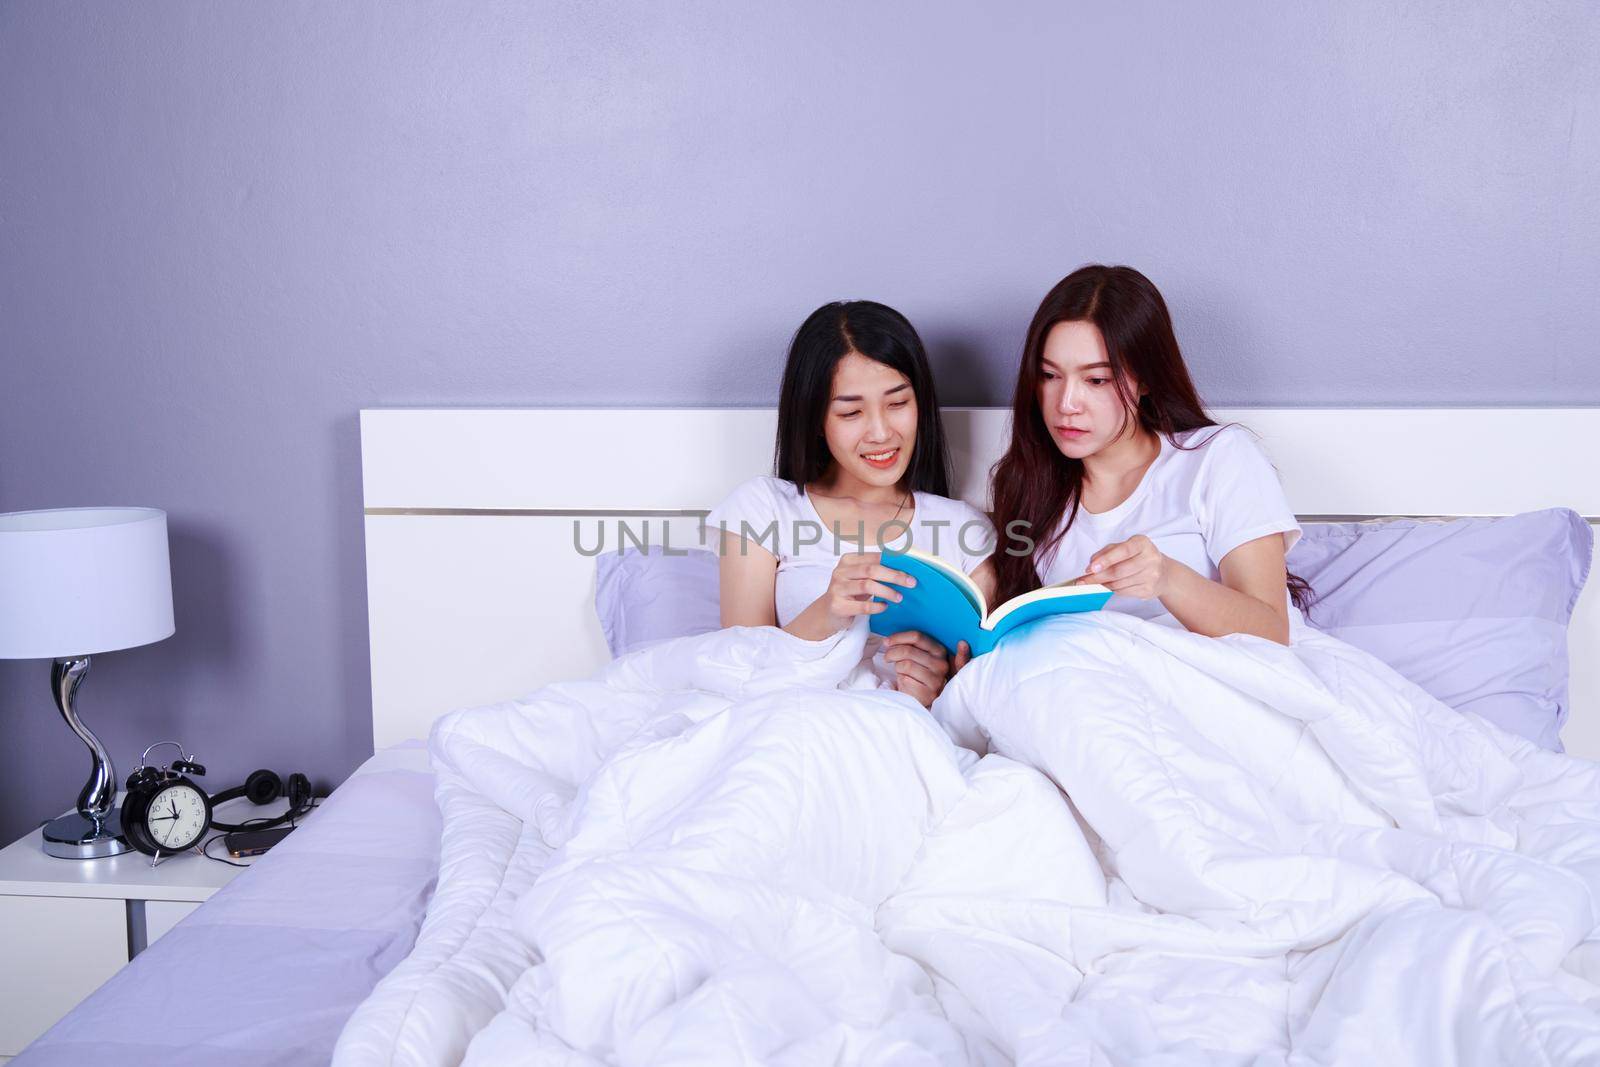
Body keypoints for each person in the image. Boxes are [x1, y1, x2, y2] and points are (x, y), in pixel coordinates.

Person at [959, 265, 1310, 670]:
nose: (1066, 403)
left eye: (1097, 381)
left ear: (1145, 379)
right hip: (1081, 686)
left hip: (1201, 680)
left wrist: (1168, 579)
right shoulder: (1028, 483)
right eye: (1049, 375)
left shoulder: (1217, 458)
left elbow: (1271, 631)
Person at [705, 300, 993, 707]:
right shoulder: (764, 509)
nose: (880, 433)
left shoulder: (966, 529)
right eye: (851, 412)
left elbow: (985, 694)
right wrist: (827, 612)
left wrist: (936, 690)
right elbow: (734, 675)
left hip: (905, 737)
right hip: (789, 730)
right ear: (816, 420)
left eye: (897, 404)